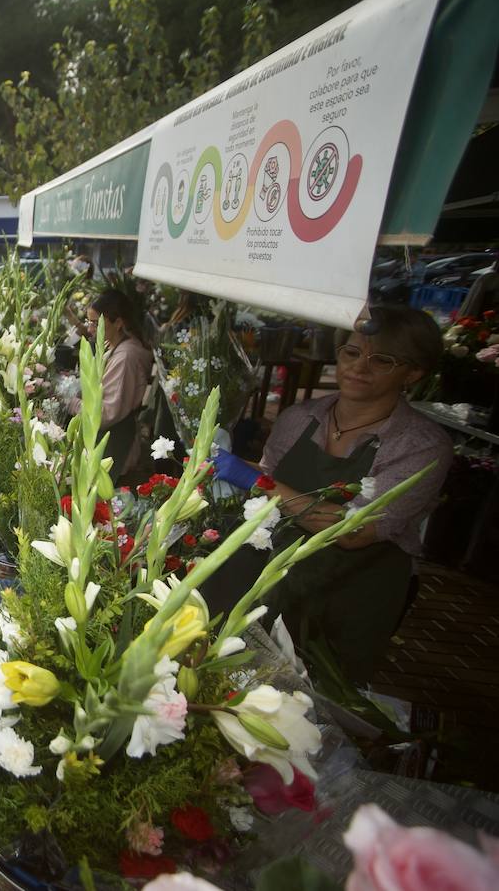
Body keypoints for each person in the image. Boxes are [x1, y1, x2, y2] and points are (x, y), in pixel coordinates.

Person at [209, 305, 453, 683]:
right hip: (275, 576)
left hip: (351, 593)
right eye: (351, 352)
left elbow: (352, 530)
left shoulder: (420, 446)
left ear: (413, 372)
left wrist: (254, 480)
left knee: (317, 691)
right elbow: (270, 479)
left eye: (382, 360)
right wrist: (219, 463)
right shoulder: (299, 418)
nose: (359, 367)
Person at [68, 288, 153, 477]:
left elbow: (105, 414)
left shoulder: (125, 358)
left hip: (116, 446)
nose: (91, 329)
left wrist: (71, 402)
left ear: (118, 323)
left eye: (96, 323)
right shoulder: (113, 344)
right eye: (89, 322)